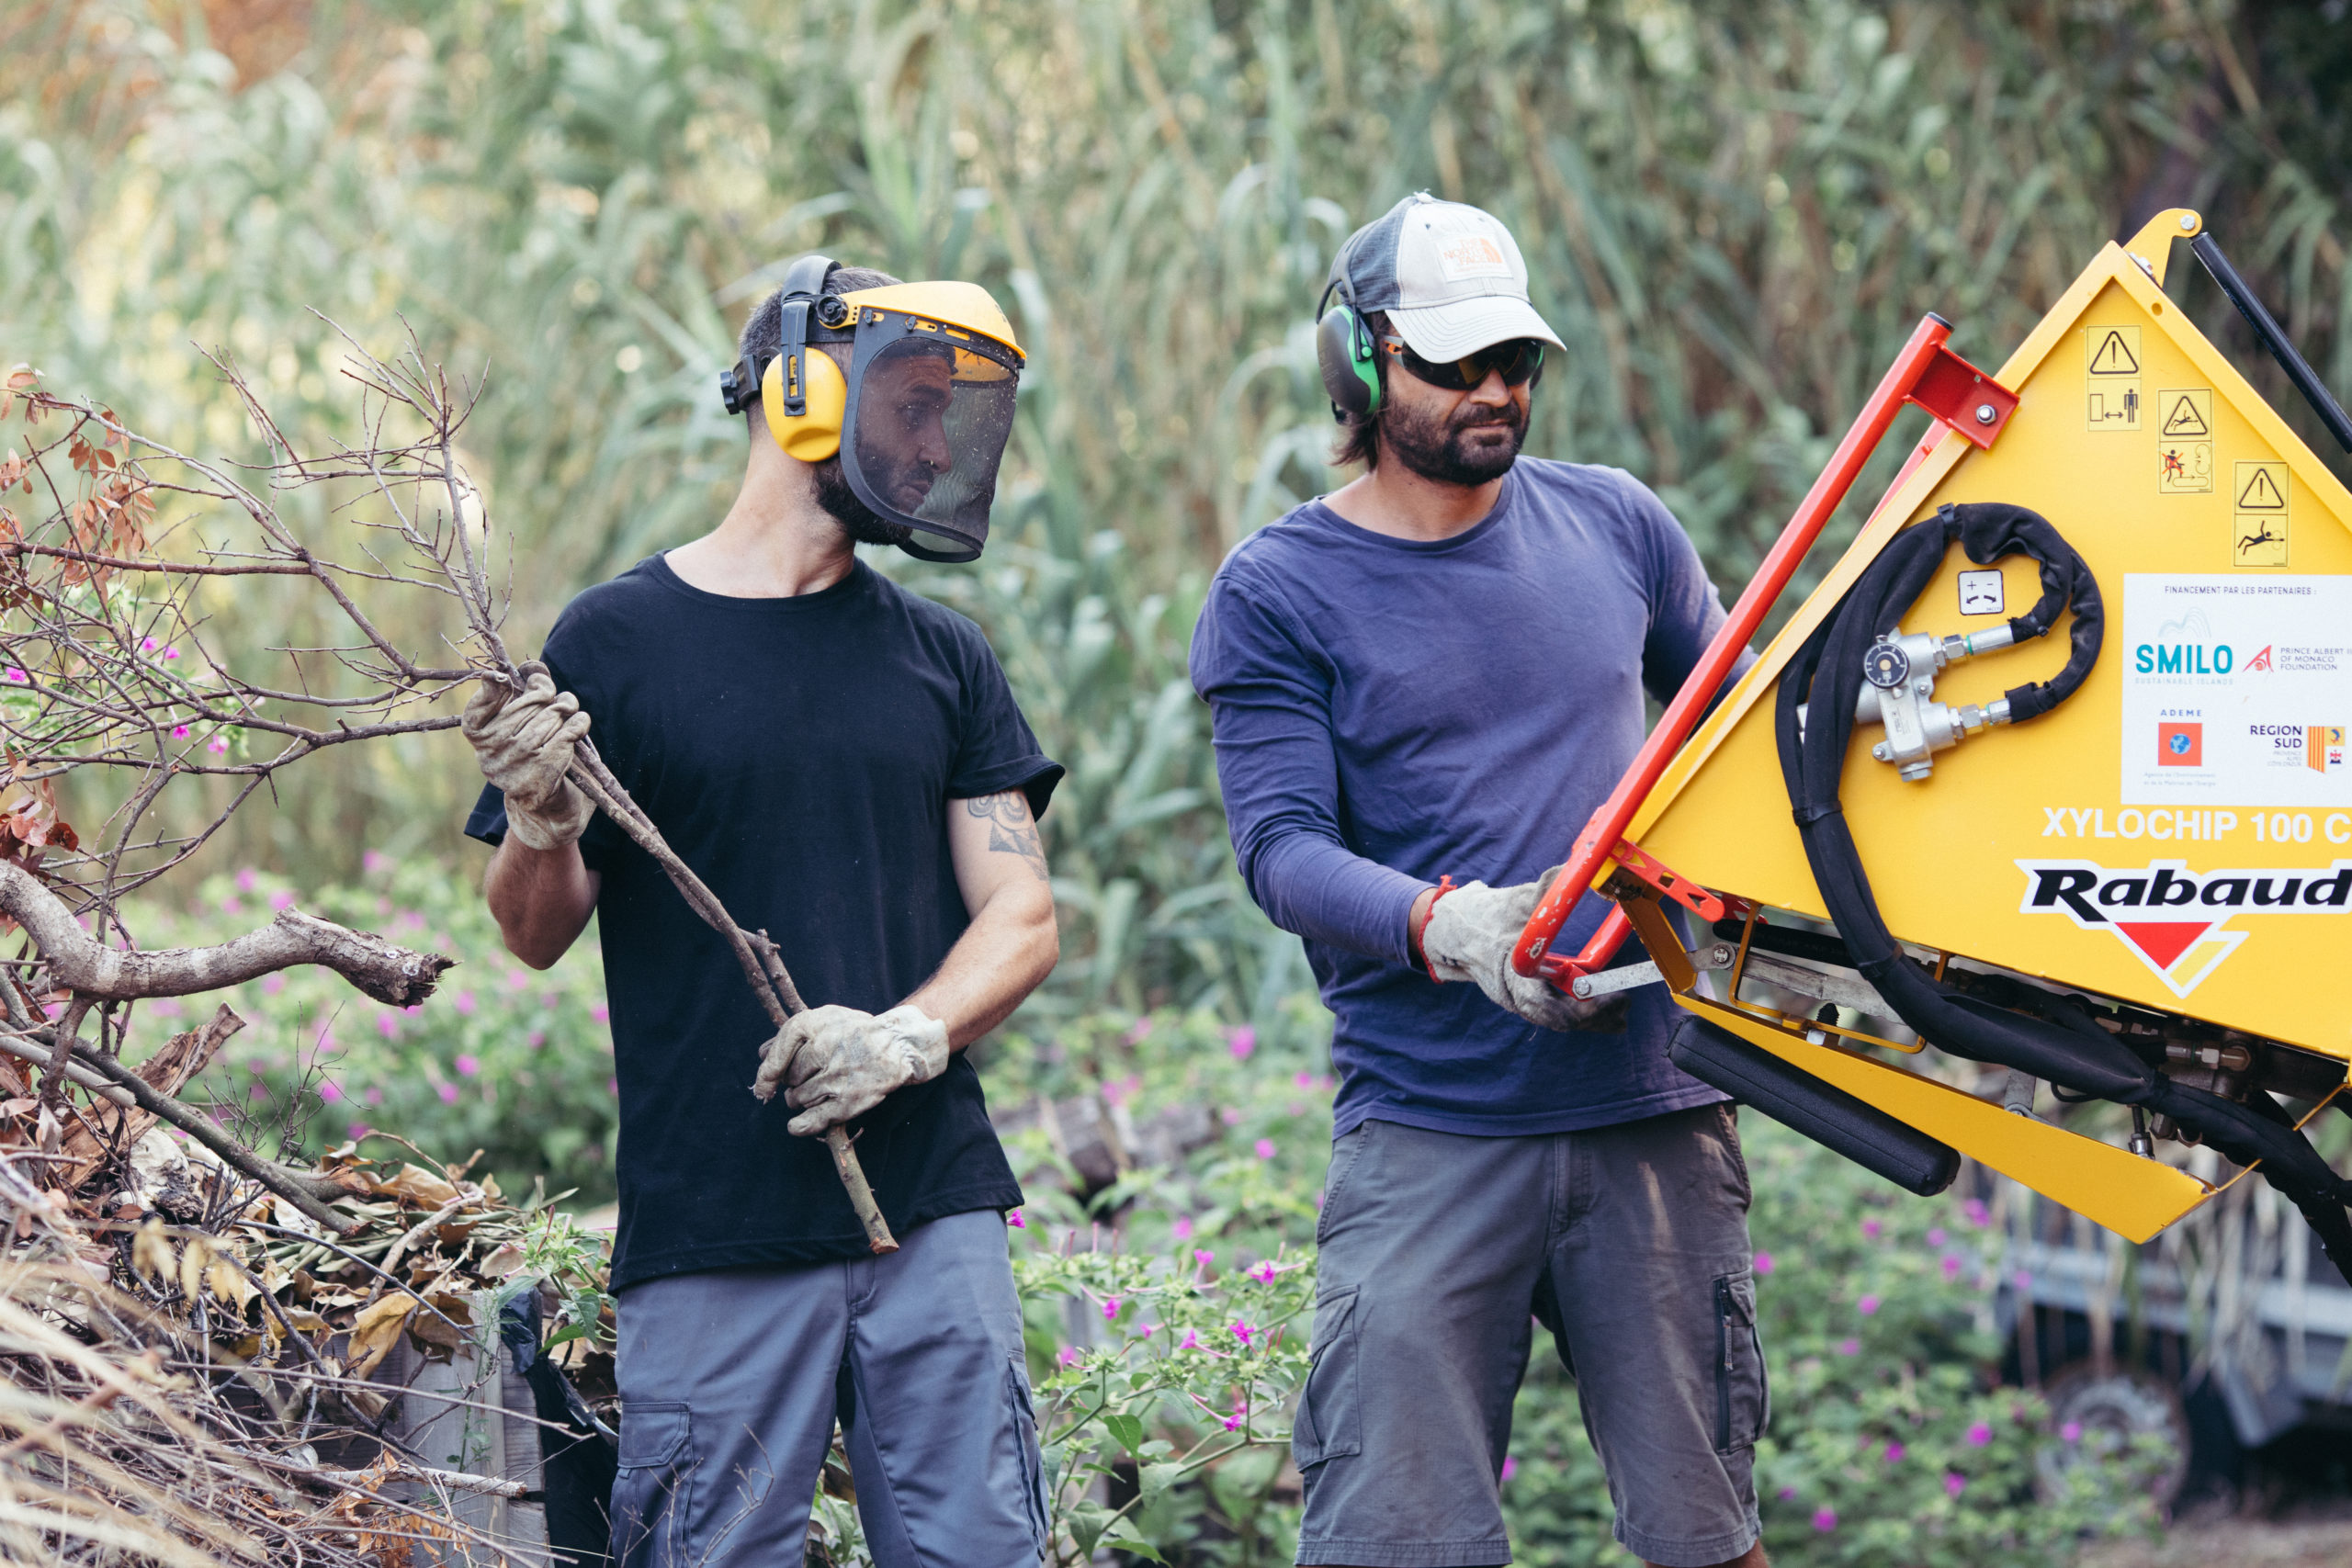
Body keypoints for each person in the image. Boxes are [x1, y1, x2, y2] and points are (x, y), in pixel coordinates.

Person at [1189, 194, 1769, 1568]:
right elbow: (1280, 853)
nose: (1496, 390)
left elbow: (1742, 744)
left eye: (1516, 360)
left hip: (1654, 1111)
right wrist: (1454, 927)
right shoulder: (1280, 590)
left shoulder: (1618, 526)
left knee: (1708, 1534)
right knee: (1399, 1540)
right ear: (1359, 359)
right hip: (1432, 1125)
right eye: (1455, 363)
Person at [462, 256, 1062, 1568]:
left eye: (943, 417)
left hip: (932, 1216)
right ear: (799, 392)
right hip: (713, 1226)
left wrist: (906, 1036)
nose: (930, 443)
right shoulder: (615, 644)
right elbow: (531, 928)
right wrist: (543, 820)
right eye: (908, 405)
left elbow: (1022, 916)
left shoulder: (942, 654)